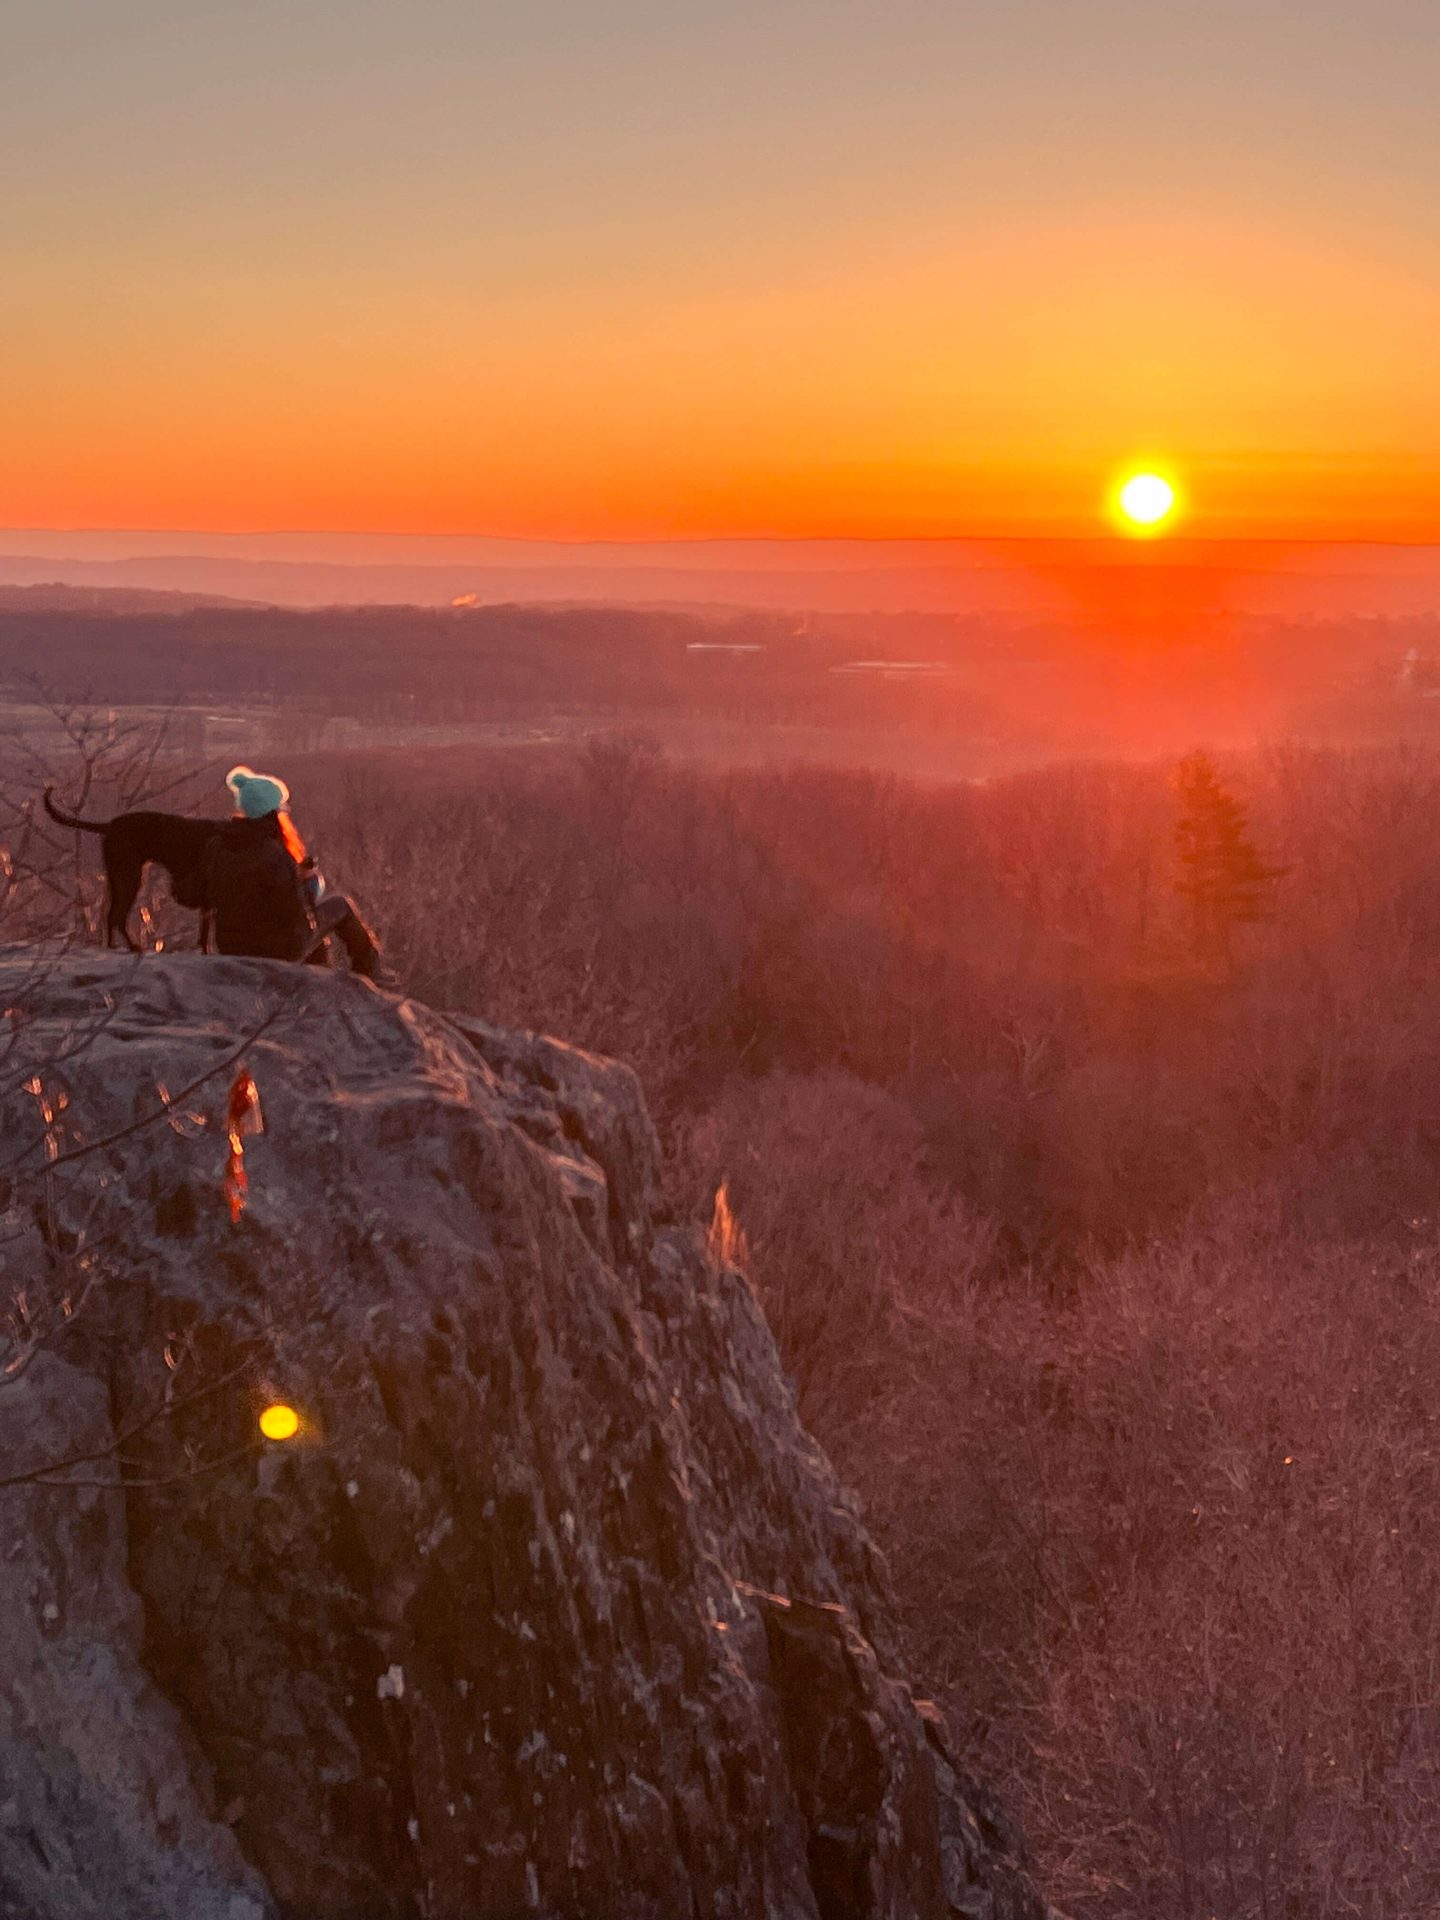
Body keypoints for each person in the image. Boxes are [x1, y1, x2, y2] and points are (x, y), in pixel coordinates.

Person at [222, 766, 391, 983]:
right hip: (274, 951)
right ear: (271, 813)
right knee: (340, 905)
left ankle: (318, 973)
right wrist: (308, 881)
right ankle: (370, 972)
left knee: (316, 930)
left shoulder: (227, 846)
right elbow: (291, 910)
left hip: (237, 948)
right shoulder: (273, 853)